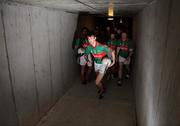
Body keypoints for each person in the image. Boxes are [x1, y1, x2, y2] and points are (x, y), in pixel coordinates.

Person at [85, 33, 115, 99]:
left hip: (103, 64)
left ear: (95, 38)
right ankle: (102, 87)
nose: (90, 40)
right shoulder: (89, 47)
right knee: (98, 77)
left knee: (96, 82)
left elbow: (112, 51)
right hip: (96, 64)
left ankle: (102, 91)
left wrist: (113, 61)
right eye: (89, 39)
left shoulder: (102, 46)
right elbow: (85, 54)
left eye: (92, 38)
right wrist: (87, 60)